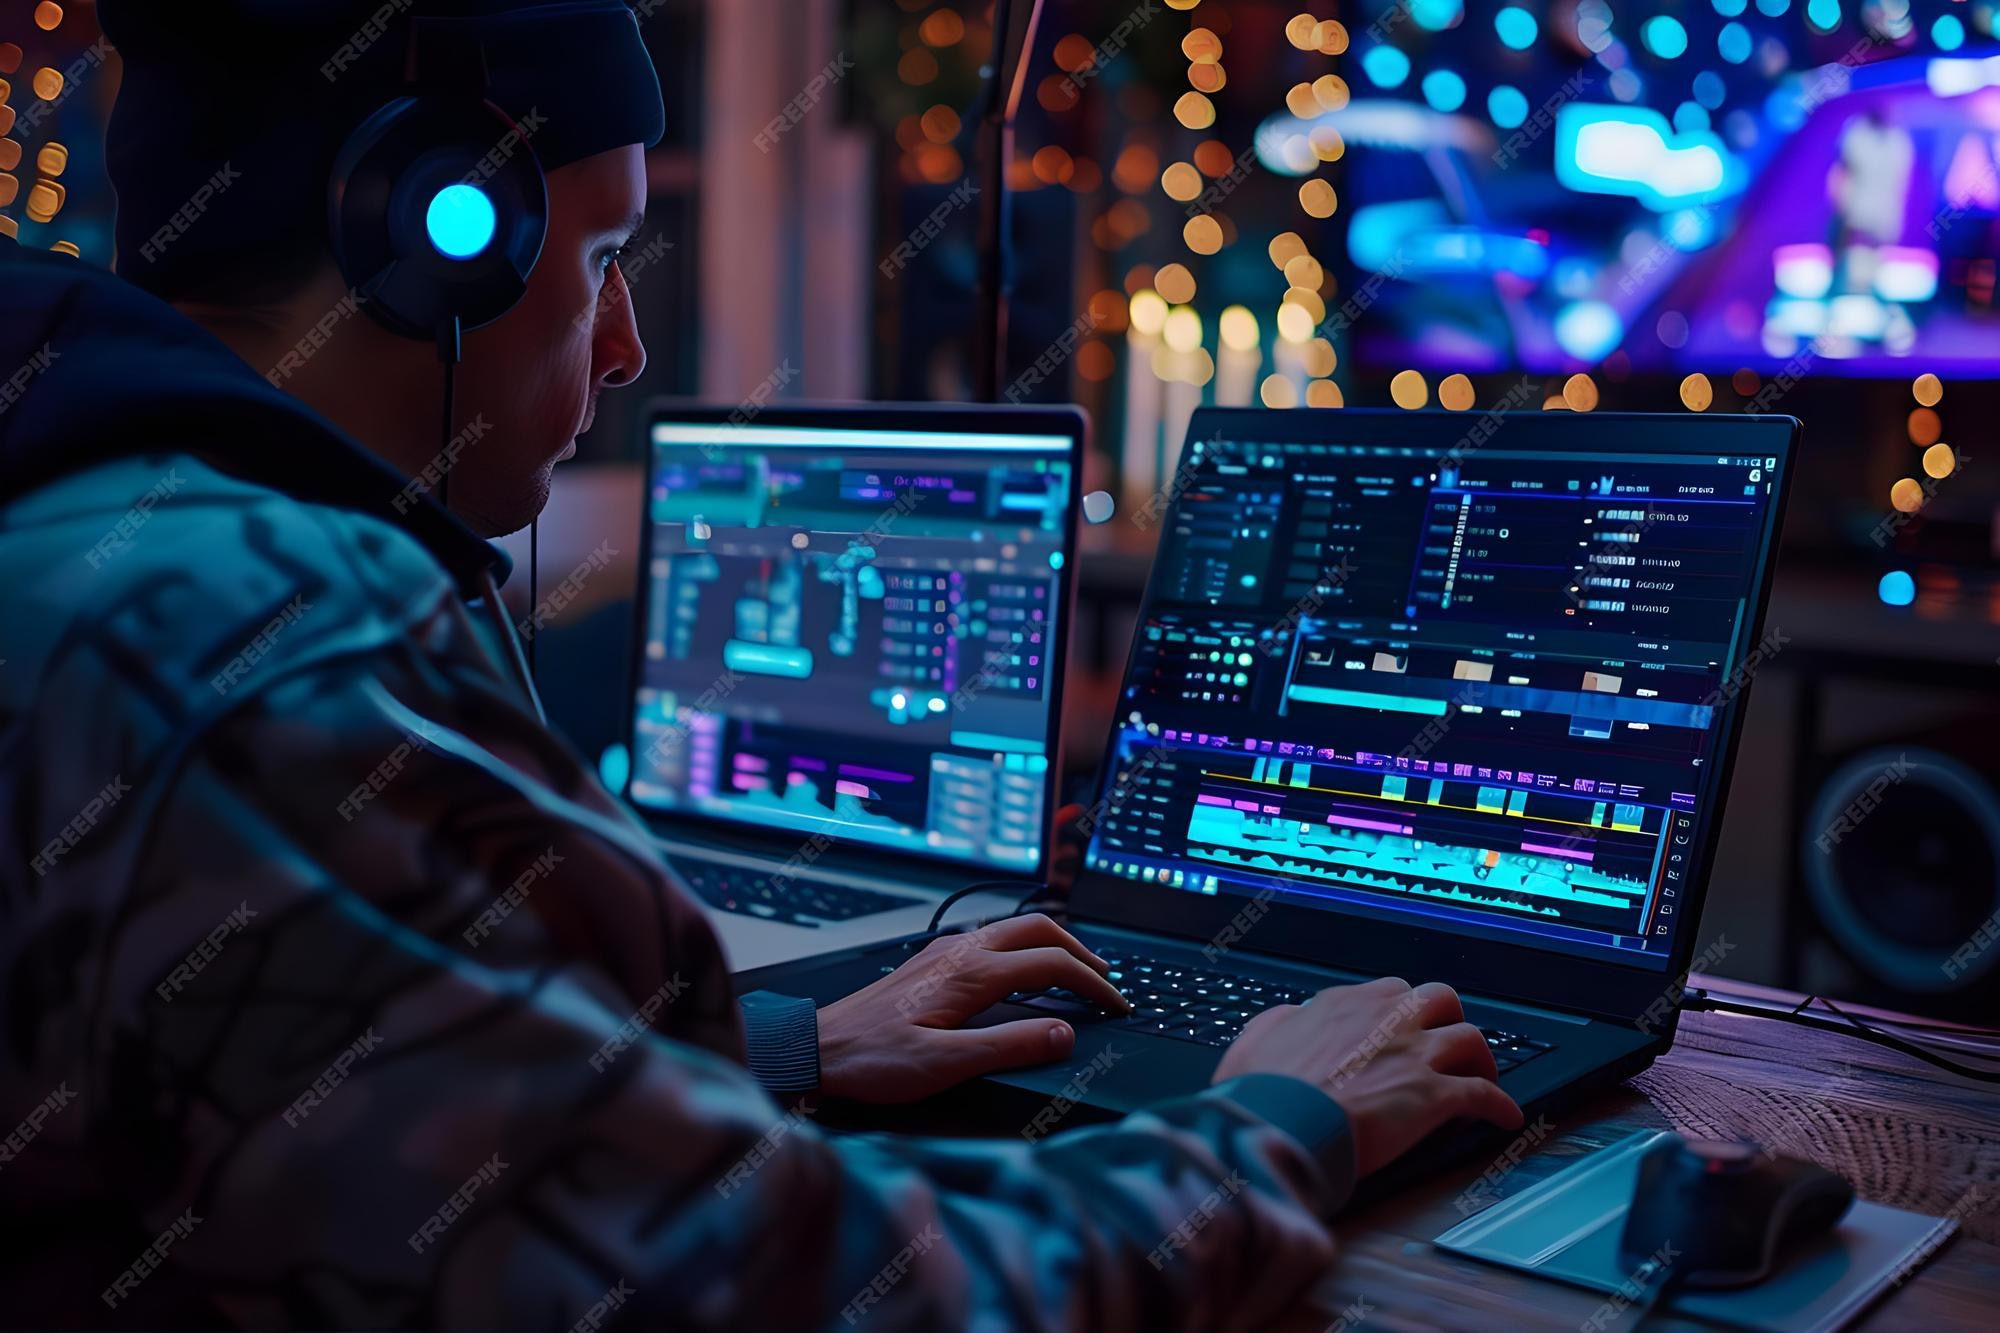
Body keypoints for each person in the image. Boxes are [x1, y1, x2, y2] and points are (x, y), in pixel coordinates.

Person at [0, 2, 1522, 1327]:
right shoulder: (258, 658)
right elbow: (770, 1296)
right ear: (433, 243)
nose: (624, 350)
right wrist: (1283, 1116)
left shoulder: (94, 522)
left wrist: (790, 1043)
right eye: (598, 260)